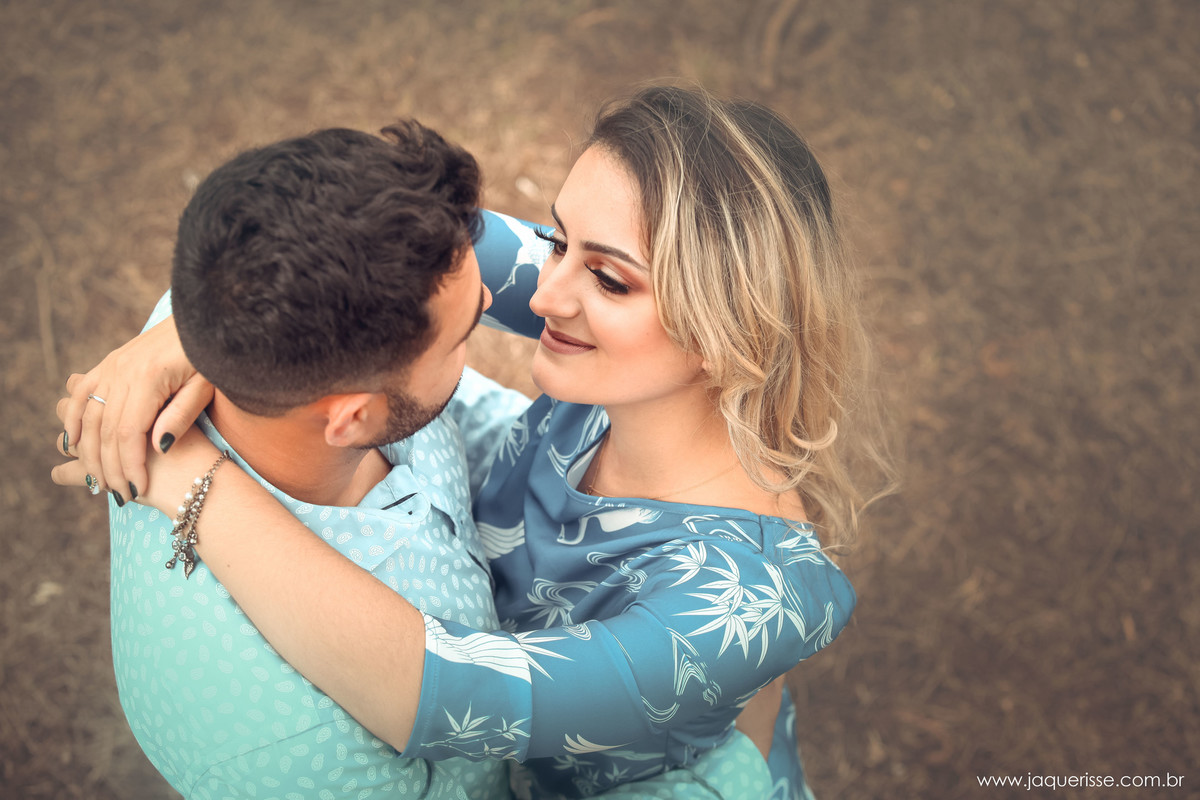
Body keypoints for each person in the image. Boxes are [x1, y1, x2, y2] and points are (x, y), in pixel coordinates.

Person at [57, 85, 890, 799]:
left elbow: (446, 695)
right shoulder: (614, 353)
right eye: (556, 239)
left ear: (724, 329)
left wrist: (191, 479)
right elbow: (344, 251)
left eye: (606, 277)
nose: (542, 291)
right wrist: (189, 331)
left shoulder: (748, 599)